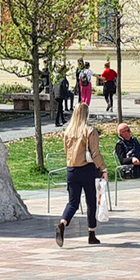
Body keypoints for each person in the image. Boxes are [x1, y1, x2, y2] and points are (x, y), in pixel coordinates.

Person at [54, 104, 103, 246]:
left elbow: (65, 149)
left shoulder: (68, 131)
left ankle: (63, 223)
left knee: (73, 202)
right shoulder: (89, 131)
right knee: (90, 202)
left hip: (71, 170)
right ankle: (91, 234)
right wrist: (103, 168)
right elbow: (95, 153)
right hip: (86, 169)